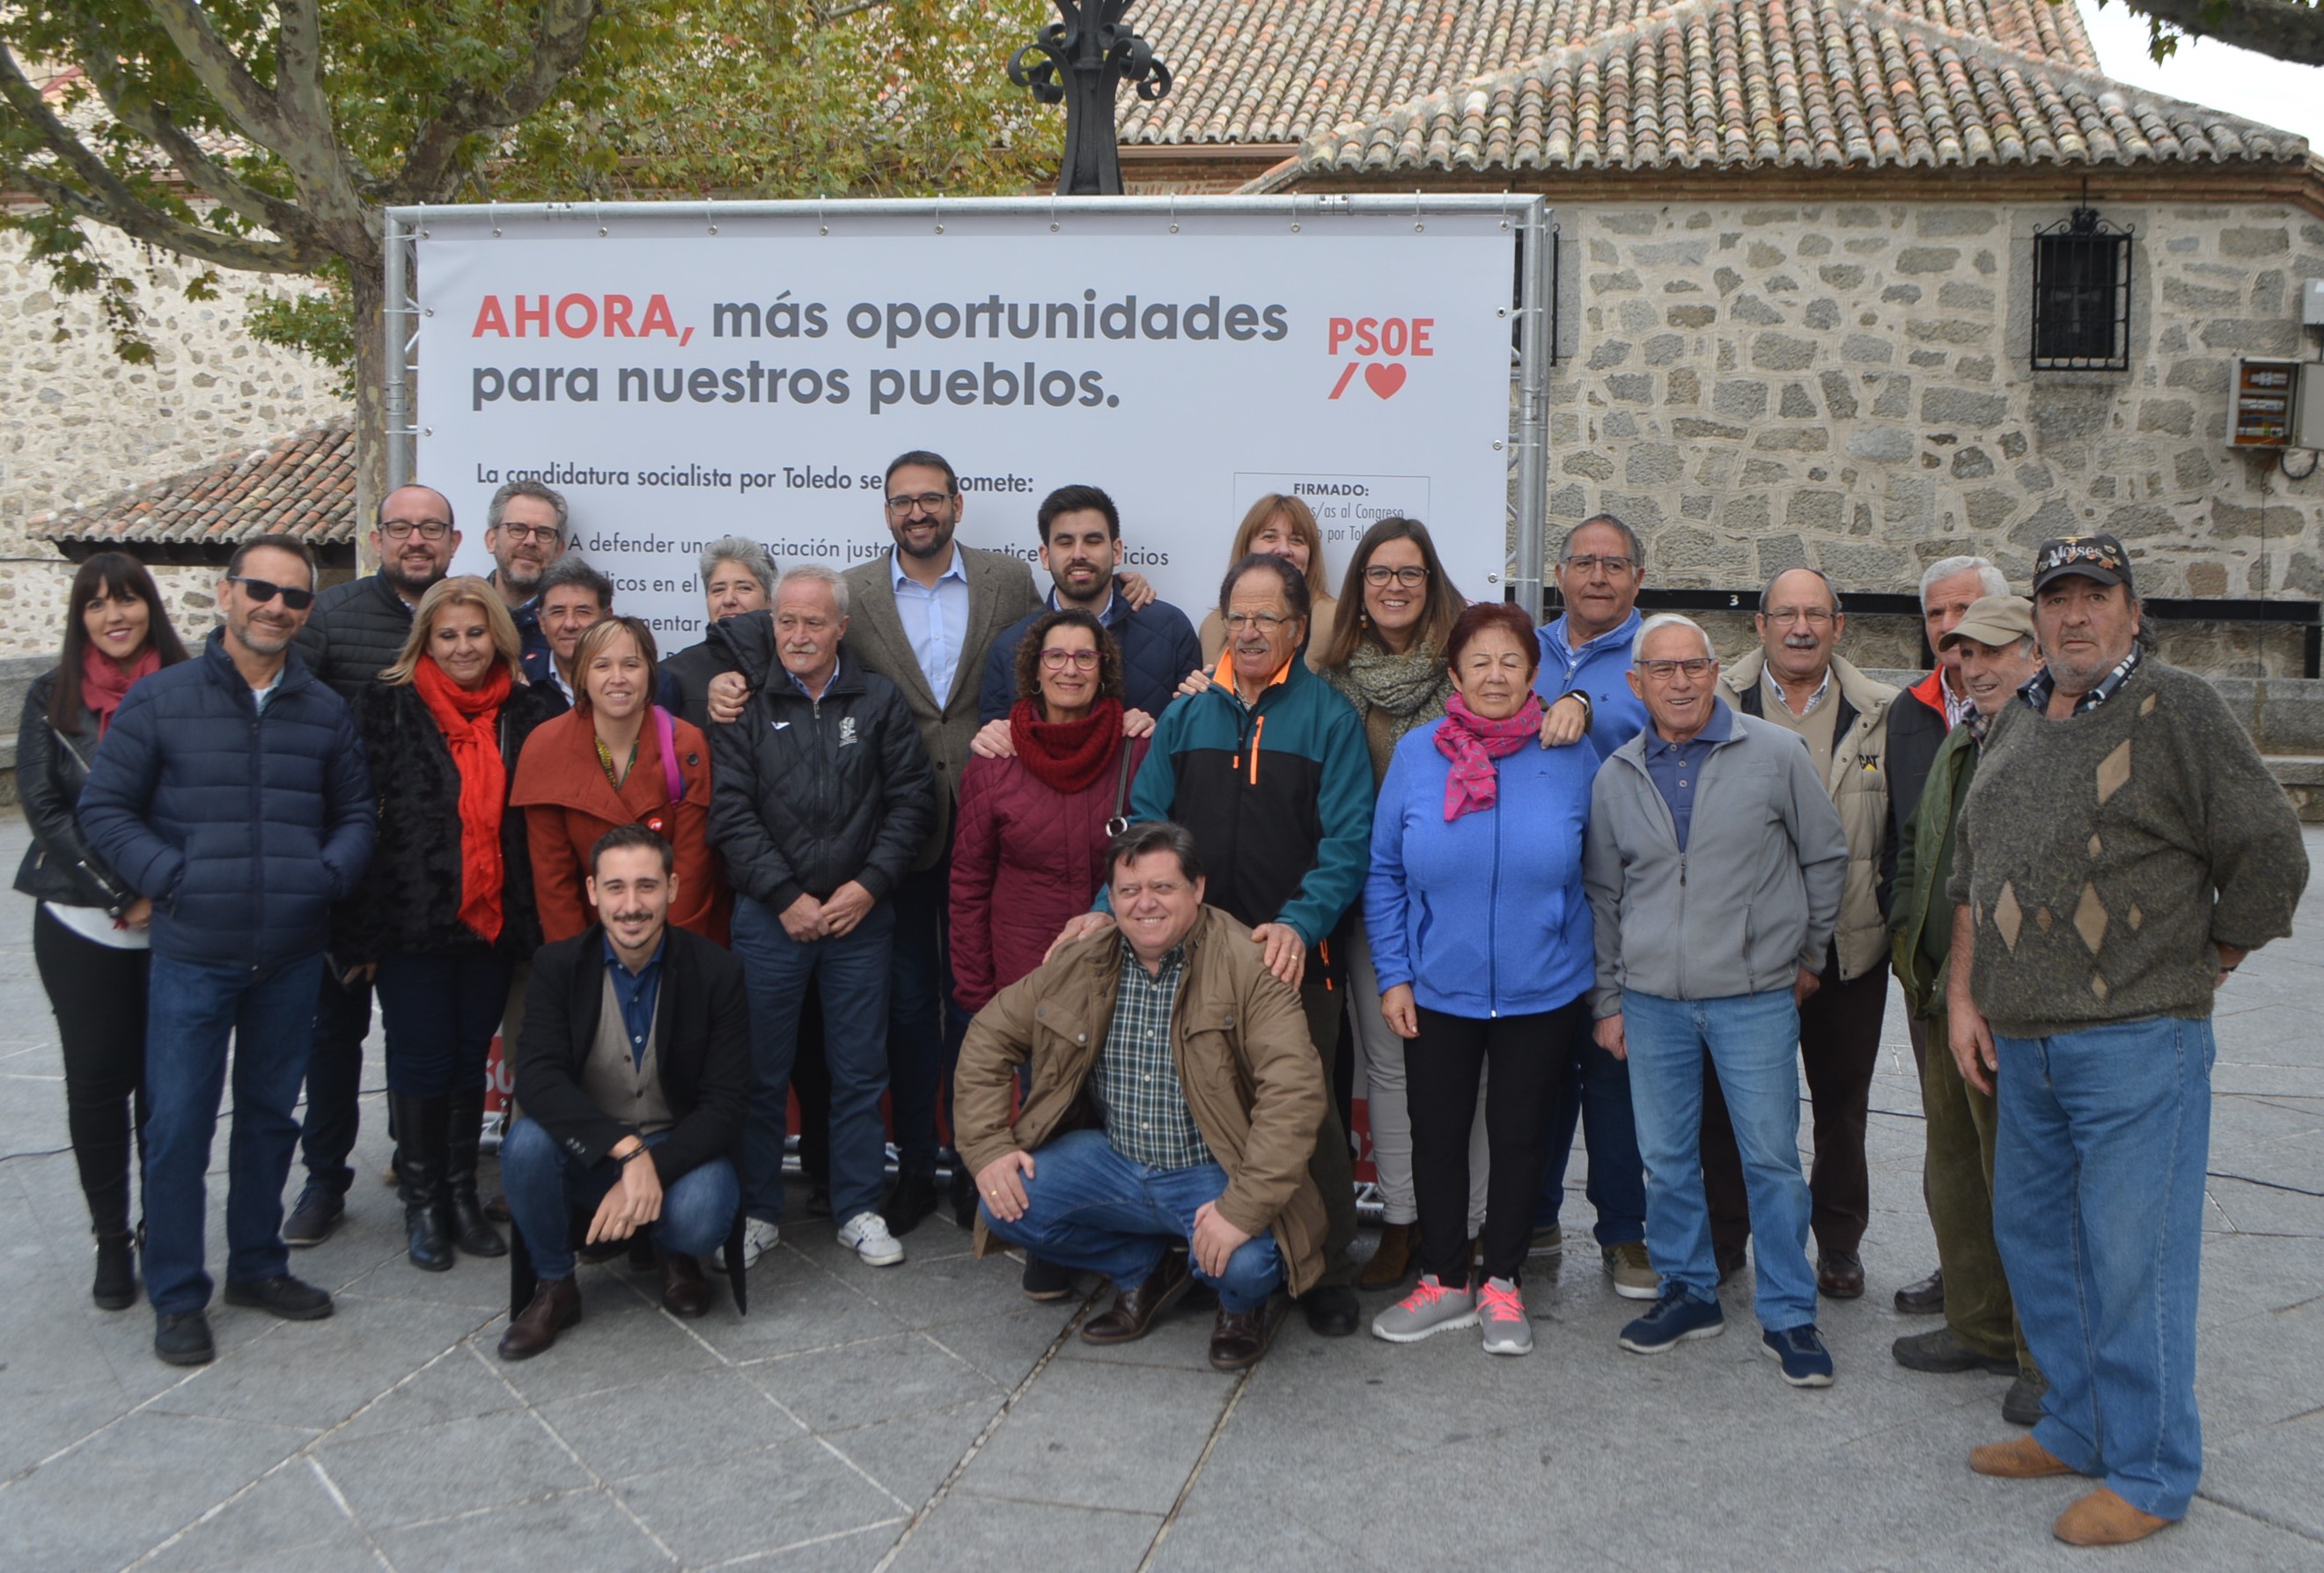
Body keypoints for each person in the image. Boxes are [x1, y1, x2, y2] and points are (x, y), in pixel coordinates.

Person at [1950, 535, 2307, 1547]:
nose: (2073, 615)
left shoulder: (2180, 707)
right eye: (2055, 597)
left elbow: (2272, 849)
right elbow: (1977, 870)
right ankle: (2077, 1421)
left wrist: (2214, 958)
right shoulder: (2016, 716)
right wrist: (1969, 996)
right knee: (2041, 1243)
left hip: (2138, 1043)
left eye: (2094, 597)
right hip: (2028, 1044)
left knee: (2133, 1259)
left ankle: (2152, 1469)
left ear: (2132, 611)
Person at [78, 533, 376, 1367]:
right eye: (261, 590)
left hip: (290, 951)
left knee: (271, 1118)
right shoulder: (162, 700)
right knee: (176, 1128)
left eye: (294, 597)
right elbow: (105, 810)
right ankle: (177, 1291)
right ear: (225, 593)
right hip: (193, 952)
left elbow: (356, 815)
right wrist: (172, 875)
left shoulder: (323, 709)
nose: (275, 606)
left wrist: (327, 875)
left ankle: (256, 1265)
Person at [1060, 552, 1372, 1338]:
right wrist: (1108, 906)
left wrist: (1301, 923)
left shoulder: (1330, 718)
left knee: (1307, 1114)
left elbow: (1347, 845)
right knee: (1198, 1109)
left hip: (1289, 955)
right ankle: (1199, 1251)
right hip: (1187, 958)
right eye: (1239, 616)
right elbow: (1142, 827)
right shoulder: (1187, 715)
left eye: (1269, 617)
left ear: (1299, 628)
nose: (1252, 630)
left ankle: (1326, 1268)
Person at [1584, 614, 1849, 1388]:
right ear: (1636, 685)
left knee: (1770, 1159)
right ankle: (1688, 1290)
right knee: (1666, 1161)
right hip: (1653, 1000)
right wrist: (1608, 998)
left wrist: (1807, 954)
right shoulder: (1616, 775)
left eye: (1693, 666)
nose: (1678, 681)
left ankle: (1791, 1313)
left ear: (1714, 672)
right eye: (1660, 670)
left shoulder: (1775, 754)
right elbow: (1604, 894)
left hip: (1753, 998)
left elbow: (1825, 855)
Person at [958, 822, 1329, 1371]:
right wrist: (987, 1147)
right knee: (1002, 1205)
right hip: (1113, 1161)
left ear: (1197, 889)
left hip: (1212, 1170)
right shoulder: (1081, 960)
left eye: (1163, 887)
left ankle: (1238, 1308)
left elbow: (1293, 1095)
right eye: (1129, 891)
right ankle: (1143, 1269)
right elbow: (989, 1034)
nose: (1145, 904)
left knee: (1247, 1264)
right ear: (1111, 897)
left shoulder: (1250, 964)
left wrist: (1241, 1209)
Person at [1363, 603, 1600, 1353]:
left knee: (1519, 1137)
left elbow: (1601, 872)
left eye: (1510, 662)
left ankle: (1501, 1282)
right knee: (1435, 1134)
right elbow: (1385, 872)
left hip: (1544, 987)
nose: (1495, 675)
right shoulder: (1417, 753)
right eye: (1479, 662)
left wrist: (1590, 973)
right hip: (1437, 986)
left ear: (1534, 673)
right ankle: (1443, 1278)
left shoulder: (1572, 754)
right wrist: (1395, 973)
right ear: (1455, 675)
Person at [710, 563, 937, 1270]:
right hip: (769, 920)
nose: (799, 634)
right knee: (759, 1072)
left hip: (858, 920)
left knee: (859, 1071)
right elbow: (731, 813)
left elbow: (911, 805)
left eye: (814, 621)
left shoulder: (879, 700)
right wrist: (785, 896)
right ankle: (756, 1211)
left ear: (842, 626)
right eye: (786, 620)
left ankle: (860, 1208)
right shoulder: (744, 701)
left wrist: (868, 886)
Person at [341, 577, 564, 1273]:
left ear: (497, 634)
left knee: (471, 1058)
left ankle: (463, 1192)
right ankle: (422, 1200)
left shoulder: (527, 712)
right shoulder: (387, 705)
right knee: (420, 1059)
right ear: (426, 641)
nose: (463, 647)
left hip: (493, 920)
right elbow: (361, 818)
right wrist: (361, 932)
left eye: (475, 633)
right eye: (448, 635)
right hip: (411, 918)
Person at [1702, 567, 1896, 1300]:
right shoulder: (1716, 701)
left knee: (1841, 1104)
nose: (1801, 627)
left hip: (1849, 947)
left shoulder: (1882, 711)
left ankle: (1839, 1243)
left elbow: (1900, 832)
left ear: (1839, 626)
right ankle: (1727, 1236)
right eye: (1785, 614)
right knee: (1727, 1101)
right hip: (1743, 950)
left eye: (1816, 614)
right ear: (1760, 625)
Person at [283, 482, 462, 1249]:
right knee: (335, 1032)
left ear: (455, 542)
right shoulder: (331, 618)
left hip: (430, 877)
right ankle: (325, 1180)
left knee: (427, 1035)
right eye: (401, 528)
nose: (416, 540)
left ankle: (419, 1165)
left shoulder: (464, 611)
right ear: (377, 536)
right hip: (351, 866)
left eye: (431, 529)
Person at [952, 608, 1150, 1300]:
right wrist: (978, 988)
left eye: (1084, 657)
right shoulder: (993, 759)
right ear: (1034, 668)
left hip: (1122, 964)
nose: (1070, 669)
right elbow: (969, 880)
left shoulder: (1138, 748)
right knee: (1045, 1104)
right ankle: (1055, 1244)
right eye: (1056, 657)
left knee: (1120, 1103)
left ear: (1105, 669)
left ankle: (1136, 1234)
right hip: (1026, 967)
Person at [497, 826, 751, 1359]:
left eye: (646, 886)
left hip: (679, 1152)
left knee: (704, 1212)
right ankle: (554, 1286)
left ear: (673, 888)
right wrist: (626, 1151)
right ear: (592, 891)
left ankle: (673, 1253)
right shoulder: (557, 967)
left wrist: (652, 1165)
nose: (631, 905)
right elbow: (538, 1077)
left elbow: (726, 1104)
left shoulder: (717, 971)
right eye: (615, 888)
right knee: (524, 1145)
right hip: (592, 1151)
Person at [1887, 594, 2048, 1427]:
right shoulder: (1965, 738)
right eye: (1961, 653)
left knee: (2018, 1177)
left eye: (1993, 651)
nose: (1976, 667)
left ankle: (2040, 1353)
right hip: (1941, 988)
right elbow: (1922, 850)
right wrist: (1906, 946)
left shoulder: (2044, 736)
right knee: (1953, 1166)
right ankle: (1981, 1325)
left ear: (2033, 650)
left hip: (2007, 998)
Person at [15, 554, 191, 1310]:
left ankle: (162, 1228)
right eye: (96, 604)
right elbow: (47, 809)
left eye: (128, 600)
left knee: (167, 1095)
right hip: (80, 923)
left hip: (178, 926)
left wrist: (164, 887)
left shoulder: (191, 691)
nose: (114, 615)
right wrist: (126, 889)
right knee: (95, 1088)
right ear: (79, 617)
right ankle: (111, 1239)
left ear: (151, 607)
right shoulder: (49, 698)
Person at [1310, 517, 1479, 1292]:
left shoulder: (1471, 673)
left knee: (1468, 1073)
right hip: (1373, 905)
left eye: (1410, 573)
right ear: (1359, 588)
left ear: (1433, 581)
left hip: (1463, 906)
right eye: (1379, 573)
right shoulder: (1332, 681)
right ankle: (1405, 1223)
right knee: (1387, 1070)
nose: (1394, 586)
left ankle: (1470, 1225)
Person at [1526, 515, 1654, 1267]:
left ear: (1638, 576)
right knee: (1538, 1073)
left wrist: (1591, 708)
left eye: (1615, 564)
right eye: (1584, 562)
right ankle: (1535, 1217)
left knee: (1614, 1068)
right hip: (1536, 903)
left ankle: (1625, 1233)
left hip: (1624, 904)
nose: (1598, 576)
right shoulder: (1523, 651)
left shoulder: (1657, 653)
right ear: (1559, 571)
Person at [1884, 554, 2008, 1317]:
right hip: (1933, 972)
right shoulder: (1913, 710)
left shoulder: (2034, 710)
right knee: (1950, 1140)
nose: (1950, 627)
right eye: (1935, 613)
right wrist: (1906, 938)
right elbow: (1906, 835)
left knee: (2009, 1147)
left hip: (2013, 980)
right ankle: (1965, 1282)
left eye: (1965, 610)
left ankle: (2020, 1312)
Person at [516, 616, 730, 948]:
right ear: (582, 676)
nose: (618, 679)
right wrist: (577, 966)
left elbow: (691, 872)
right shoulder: (545, 746)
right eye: (602, 666)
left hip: (675, 941)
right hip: (588, 937)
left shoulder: (685, 744)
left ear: (650, 673)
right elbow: (553, 883)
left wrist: (667, 960)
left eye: (631, 664)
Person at [975, 484, 1201, 724]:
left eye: (1093, 541)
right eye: (1065, 542)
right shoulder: (1010, 647)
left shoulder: (1171, 628)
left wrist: (1154, 738)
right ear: (1044, 556)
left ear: (1116, 551)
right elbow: (995, 745)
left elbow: (1194, 727)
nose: (1079, 554)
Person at [1194, 495, 1337, 667]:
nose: (1284, 549)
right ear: (1246, 549)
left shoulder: (1336, 622)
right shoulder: (1213, 627)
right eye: (1270, 537)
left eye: (1296, 540)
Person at [663, 537, 776, 727]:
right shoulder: (671, 675)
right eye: (718, 589)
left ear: (771, 599)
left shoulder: (794, 667)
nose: (728, 599)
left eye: (744, 588)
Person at [482, 479, 568, 684]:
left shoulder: (572, 628)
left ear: (559, 549)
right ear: (491, 540)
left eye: (544, 533)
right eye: (518, 529)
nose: (530, 541)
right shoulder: (460, 614)